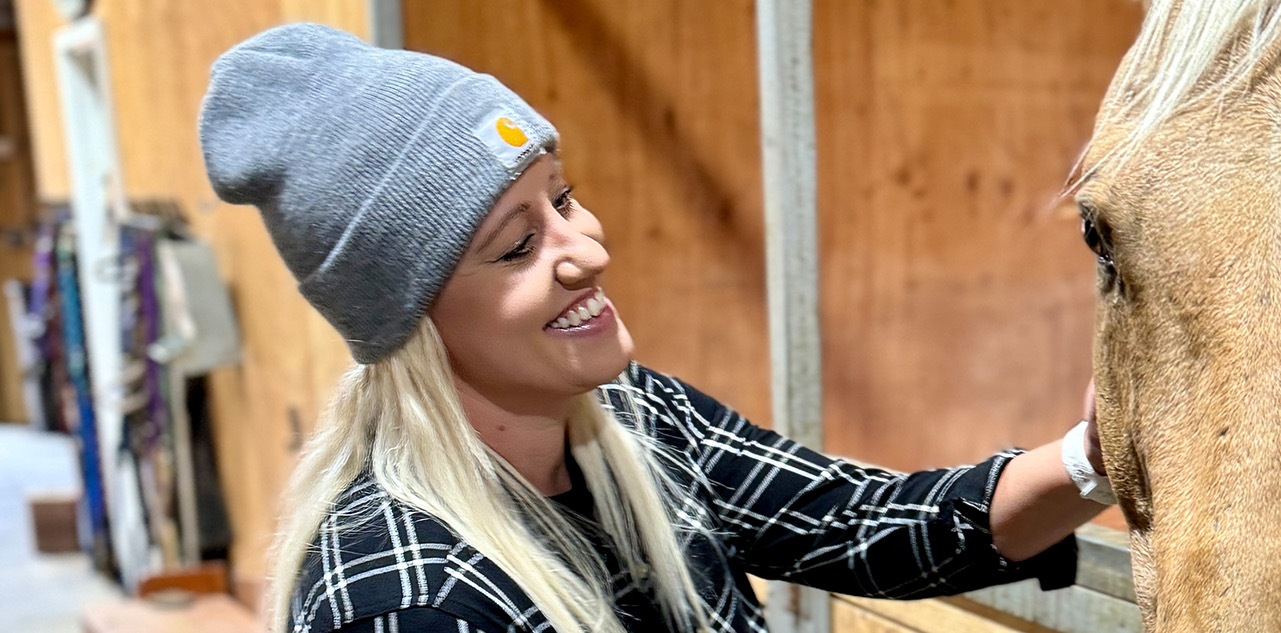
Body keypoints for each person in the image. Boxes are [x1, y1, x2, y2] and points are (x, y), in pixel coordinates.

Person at [198, 23, 1115, 633]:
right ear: (408, 318)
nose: (587, 250)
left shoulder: (628, 415)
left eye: (563, 199)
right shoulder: (407, 603)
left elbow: (859, 521)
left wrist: (1094, 457)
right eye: (519, 246)